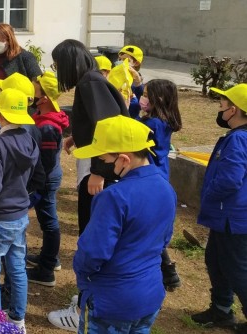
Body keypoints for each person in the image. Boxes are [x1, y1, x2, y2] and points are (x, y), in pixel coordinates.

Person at [48, 39, 129, 332]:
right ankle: (90, 300)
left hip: (102, 176)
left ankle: (87, 307)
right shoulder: (92, 80)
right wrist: (76, 138)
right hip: (104, 170)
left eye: (57, 64)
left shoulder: (89, 83)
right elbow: (95, 124)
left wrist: (99, 171)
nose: (57, 70)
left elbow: (109, 128)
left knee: (94, 238)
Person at [71, 115, 176, 334]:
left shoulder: (113, 197)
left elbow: (92, 253)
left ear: (124, 159)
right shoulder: (166, 188)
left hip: (112, 301)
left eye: (105, 160)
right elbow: (165, 238)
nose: (101, 165)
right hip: (149, 294)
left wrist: (84, 281)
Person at [0, 88, 39, 331]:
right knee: (17, 269)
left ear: (0, 114)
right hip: (20, 215)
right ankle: (17, 320)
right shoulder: (29, 140)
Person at [191, 84, 247, 333]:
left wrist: (210, 195)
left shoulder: (237, 139)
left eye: (222, 105)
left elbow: (230, 179)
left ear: (233, 110)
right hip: (229, 216)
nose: (220, 109)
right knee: (215, 260)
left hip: (233, 218)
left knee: (237, 268)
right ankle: (222, 309)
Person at [138, 79, 184, 291]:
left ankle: (167, 270)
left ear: (160, 98)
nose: (143, 98)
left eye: (147, 94)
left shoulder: (152, 124)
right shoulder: (165, 120)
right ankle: (168, 270)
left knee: (149, 227)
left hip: (150, 176)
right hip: (161, 174)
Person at [26, 71, 69, 287]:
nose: (31, 93)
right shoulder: (44, 119)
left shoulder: (48, 127)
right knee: (46, 221)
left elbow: (48, 161)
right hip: (45, 176)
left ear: (44, 99)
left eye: (35, 89)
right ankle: (48, 257)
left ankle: (47, 270)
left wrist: (37, 186)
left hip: (46, 179)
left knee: (49, 222)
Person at [117, 45, 145, 118]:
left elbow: (140, 101)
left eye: (126, 60)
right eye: (120, 59)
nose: (121, 62)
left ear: (136, 63)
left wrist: (138, 84)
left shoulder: (136, 82)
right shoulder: (116, 75)